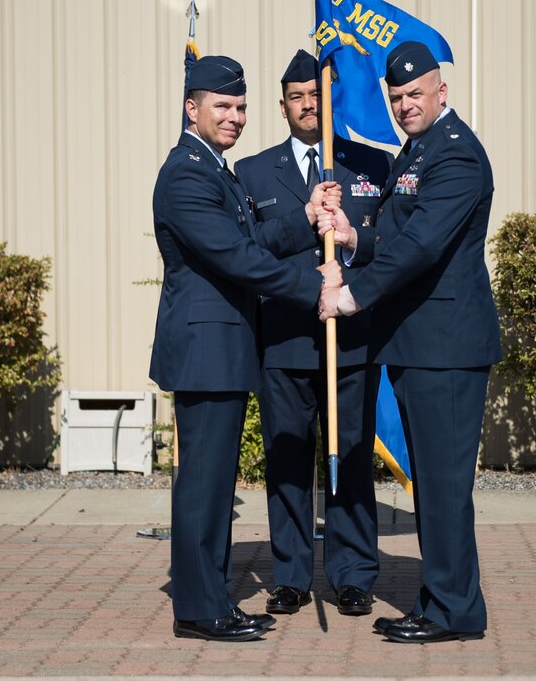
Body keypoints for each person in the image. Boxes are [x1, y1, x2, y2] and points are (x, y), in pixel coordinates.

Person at [149, 54, 342, 642]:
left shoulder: (212, 167)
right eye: (223, 107)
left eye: (240, 108)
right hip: (207, 352)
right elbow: (235, 257)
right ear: (192, 107)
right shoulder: (186, 173)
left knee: (212, 488)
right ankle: (201, 609)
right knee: (203, 489)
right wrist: (316, 286)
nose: (234, 117)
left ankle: (210, 599)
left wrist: (303, 220)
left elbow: (250, 237)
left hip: (223, 351)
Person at [318, 40, 502, 644]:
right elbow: (399, 235)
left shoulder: (456, 156)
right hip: (422, 344)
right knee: (435, 483)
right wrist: (353, 238)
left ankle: (452, 611)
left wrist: (354, 293)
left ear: (441, 91)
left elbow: (422, 246)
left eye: (414, 93)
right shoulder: (418, 151)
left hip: (445, 347)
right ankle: (445, 599)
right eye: (395, 97)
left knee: (444, 486)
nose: (403, 105)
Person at [235, 50, 391, 618]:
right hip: (284, 341)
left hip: (350, 340)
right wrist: (300, 220)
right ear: (282, 106)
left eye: (317, 94)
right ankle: (293, 576)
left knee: (349, 457)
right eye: (298, 96)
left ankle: (352, 574)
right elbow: (246, 251)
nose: (308, 104)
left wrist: (348, 257)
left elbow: (389, 248)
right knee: (288, 461)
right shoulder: (252, 172)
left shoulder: (369, 166)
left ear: (332, 100)